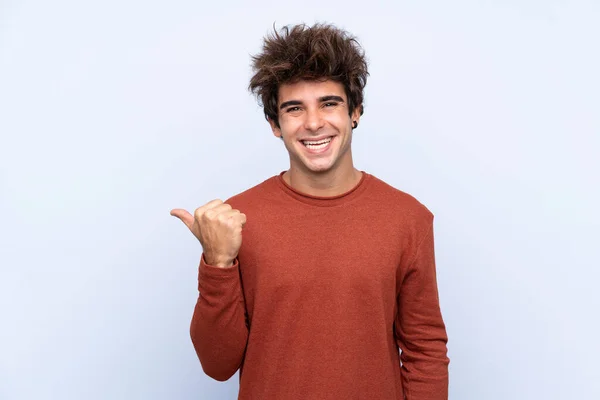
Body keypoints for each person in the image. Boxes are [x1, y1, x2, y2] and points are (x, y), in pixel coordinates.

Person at [170, 22, 449, 400]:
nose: (314, 122)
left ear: (356, 112)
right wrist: (218, 263)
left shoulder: (408, 219)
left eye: (329, 103)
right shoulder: (236, 221)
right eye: (294, 108)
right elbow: (217, 365)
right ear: (275, 124)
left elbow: (424, 350)